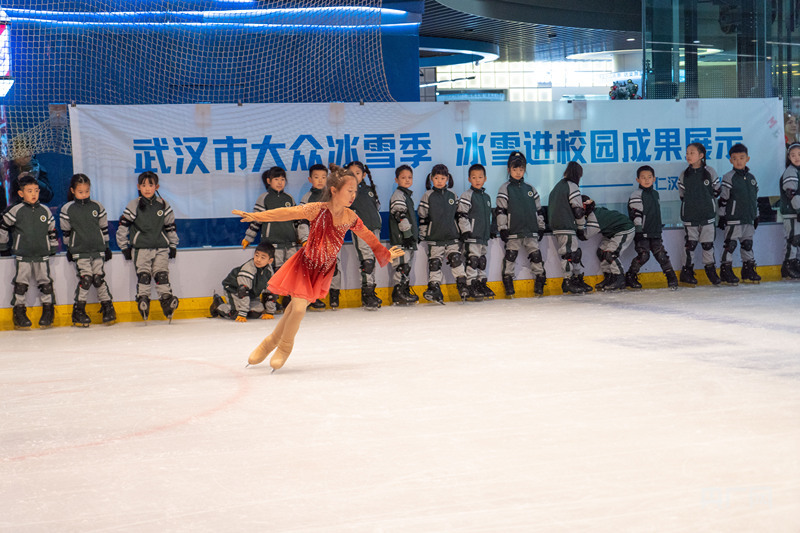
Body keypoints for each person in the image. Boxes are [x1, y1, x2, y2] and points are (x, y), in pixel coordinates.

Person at [234, 164, 404, 371]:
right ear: (334, 190)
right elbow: (288, 212)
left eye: (355, 191)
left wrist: (385, 253)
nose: (353, 195)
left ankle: (270, 342)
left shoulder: (351, 217)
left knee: (292, 310)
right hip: (304, 265)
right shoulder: (317, 209)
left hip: (323, 270)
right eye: (349, 191)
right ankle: (284, 347)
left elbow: (369, 236)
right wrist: (258, 216)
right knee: (296, 309)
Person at [116, 171, 180, 322]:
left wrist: (173, 245)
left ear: (156, 186)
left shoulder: (163, 204)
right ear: (138, 187)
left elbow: (170, 226)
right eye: (143, 185)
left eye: (150, 185)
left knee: (161, 275)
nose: (147, 188)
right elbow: (123, 227)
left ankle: (167, 301)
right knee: (144, 276)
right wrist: (124, 246)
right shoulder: (134, 205)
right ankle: (143, 300)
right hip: (141, 248)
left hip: (161, 247)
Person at [0, 174, 58, 329]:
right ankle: (19, 312)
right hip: (23, 254)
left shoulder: (45, 211)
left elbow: (52, 230)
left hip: (41, 254)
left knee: (46, 283)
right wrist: (3, 246)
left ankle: (48, 310)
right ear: (21, 193)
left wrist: (52, 246)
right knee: (20, 285)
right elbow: (3, 227)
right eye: (29, 191)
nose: (34, 194)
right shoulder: (16, 211)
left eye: (36, 190)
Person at [59, 173, 117, 326]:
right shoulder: (68, 209)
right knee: (86, 280)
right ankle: (78, 310)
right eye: (80, 192)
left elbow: (103, 228)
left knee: (98, 278)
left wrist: (106, 246)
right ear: (73, 190)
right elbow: (66, 232)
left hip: (97, 249)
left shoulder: (96, 206)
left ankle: (107, 307)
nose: (84, 194)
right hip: (80, 250)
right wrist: (69, 249)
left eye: (86, 191)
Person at [242, 166, 299, 311]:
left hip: (290, 243)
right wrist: (249, 238)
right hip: (272, 244)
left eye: (282, 179)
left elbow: (297, 220)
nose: (280, 182)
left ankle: (289, 299)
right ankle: (272, 301)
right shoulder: (264, 198)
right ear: (269, 181)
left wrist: (301, 237)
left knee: (291, 273)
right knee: (274, 273)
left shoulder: (289, 198)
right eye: (276, 179)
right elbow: (256, 220)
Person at [496, 151, 547, 298]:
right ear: (508, 170)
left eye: (521, 169)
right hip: (513, 231)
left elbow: (538, 210)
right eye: (514, 169)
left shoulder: (530, 189)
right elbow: (501, 211)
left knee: (536, 256)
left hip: (531, 230)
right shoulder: (505, 188)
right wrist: (503, 228)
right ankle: (508, 282)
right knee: (510, 256)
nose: (518, 172)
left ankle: (540, 280)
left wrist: (541, 226)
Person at [418, 163, 468, 304]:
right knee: (434, 263)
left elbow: (459, 216)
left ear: (447, 179)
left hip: (452, 237)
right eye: (436, 178)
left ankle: (462, 284)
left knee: (456, 260)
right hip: (435, 238)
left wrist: (463, 231)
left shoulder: (453, 195)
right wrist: (423, 235)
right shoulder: (428, 196)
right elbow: (423, 218)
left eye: (442, 178)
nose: (439, 181)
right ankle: (434, 288)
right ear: (431, 179)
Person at [625, 165, 679, 290]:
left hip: (655, 231)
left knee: (661, 255)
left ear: (654, 179)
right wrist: (638, 230)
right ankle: (630, 276)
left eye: (649, 177)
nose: (647, 180)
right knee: (644, 255)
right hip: (642, 232)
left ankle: (671, 277)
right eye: (643, 177)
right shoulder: (636, 194)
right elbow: (636, 213)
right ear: (637, 180)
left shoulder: (655, 194)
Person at [718, 143, 761, 284]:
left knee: (747, 244)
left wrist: (756, 215)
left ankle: (748, 269)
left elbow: (754, 199)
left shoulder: (751, 178)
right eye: (735, 158)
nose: (738, 161)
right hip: (733, 218)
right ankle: (726, 270)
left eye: (742, 158)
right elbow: (723, 198)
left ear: (747, 158)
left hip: (748, 218)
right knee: (730, 245)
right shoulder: (729, 177)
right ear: (730, 160)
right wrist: (722, 216)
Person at [678, 142, 721, 286]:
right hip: (690, 216)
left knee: (708, 244)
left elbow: (717, 190)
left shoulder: (710, 172)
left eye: (692, 153)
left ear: (701, 156)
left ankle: (710, 269)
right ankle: (687, 271)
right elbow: (682, 195)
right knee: (690, 244)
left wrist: (706, 203)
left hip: (707, 215)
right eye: (687, 153)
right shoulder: (685, 174)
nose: (688, 156)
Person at [298, 164, 338, 310]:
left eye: (323, 177)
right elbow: (302, 221)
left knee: (333, 268)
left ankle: (334, 295)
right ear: (310, 179)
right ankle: (313, 298)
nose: (320, 180)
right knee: (315, 269)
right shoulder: (307, 198)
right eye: (316, 177)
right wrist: (304, 239)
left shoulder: (333, 196)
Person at [346, 161, 384, 310]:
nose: (354, 176)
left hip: (374, 230)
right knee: (366, 262)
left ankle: (371, 291)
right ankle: (367, 295)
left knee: (372, 261)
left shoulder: (369, 190)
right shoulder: (347, 191)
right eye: (351, 173)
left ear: (364, 175)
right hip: (360, 230)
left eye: (357, 173)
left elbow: (376, 208)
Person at [548, 161, 589, 294]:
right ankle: (567, 281)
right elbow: (577, 210)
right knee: (569, 254)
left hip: (557, 224)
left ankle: (576, 279)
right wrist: (581, 226)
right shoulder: (572, 186)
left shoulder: (558, 186)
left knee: (572, 253)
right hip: (566, 224)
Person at [210, 240, 277, 321]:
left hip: (251, 293)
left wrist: (270, 312)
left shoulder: (269, 271)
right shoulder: (248, 269)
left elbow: (270, 291)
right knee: (235, 313)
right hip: (233, 289)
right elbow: (243, 291)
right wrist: (242, 313)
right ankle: (218, 304)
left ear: (270, 261)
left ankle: (242, 309)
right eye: (256, 255)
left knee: (255, 313)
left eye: (263, 257)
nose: (258, 259)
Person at [458, 163, 495, 300]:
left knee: (482, 261)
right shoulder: (467, 195)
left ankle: (481, 283)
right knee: (472, 260)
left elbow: (489, 217)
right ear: (469, 179)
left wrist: (491, 229)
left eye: (480, 177)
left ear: (485, 178)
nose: (477, 180)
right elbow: (462, 214)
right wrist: (466, 230)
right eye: (474, 177)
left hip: (483, 236)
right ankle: (470, 284)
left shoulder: (487, 197)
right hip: (471, 236)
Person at [581, 196, 634, 291]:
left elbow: (585, 236)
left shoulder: (593, 217)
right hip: (613, 232)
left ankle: (619, 278)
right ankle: (609, 277)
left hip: (624, 230)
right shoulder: (595, 212)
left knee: (611, 254)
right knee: (602, 252)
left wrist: (575, 227)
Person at [388, 164, 420, 305]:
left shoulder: (407, 195)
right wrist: (407, 234)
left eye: (409, 177)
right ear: (396, 179)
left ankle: (404, 290)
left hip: (408, 238)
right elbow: (399, 215)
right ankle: (399, 292)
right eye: (403, 177)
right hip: (401, 238)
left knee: (406, 266)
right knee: (402, 266)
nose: (407, 180)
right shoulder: (398, 195)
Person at [779, 142, 800, 279]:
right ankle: (787, 265)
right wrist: (799, 209)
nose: (796, 157)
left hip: (797, 212)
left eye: (799, 154)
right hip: (792, 212)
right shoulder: (791, 171)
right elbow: (791, 192)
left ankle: (795, 263)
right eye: (793, 155)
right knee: (793, 239)